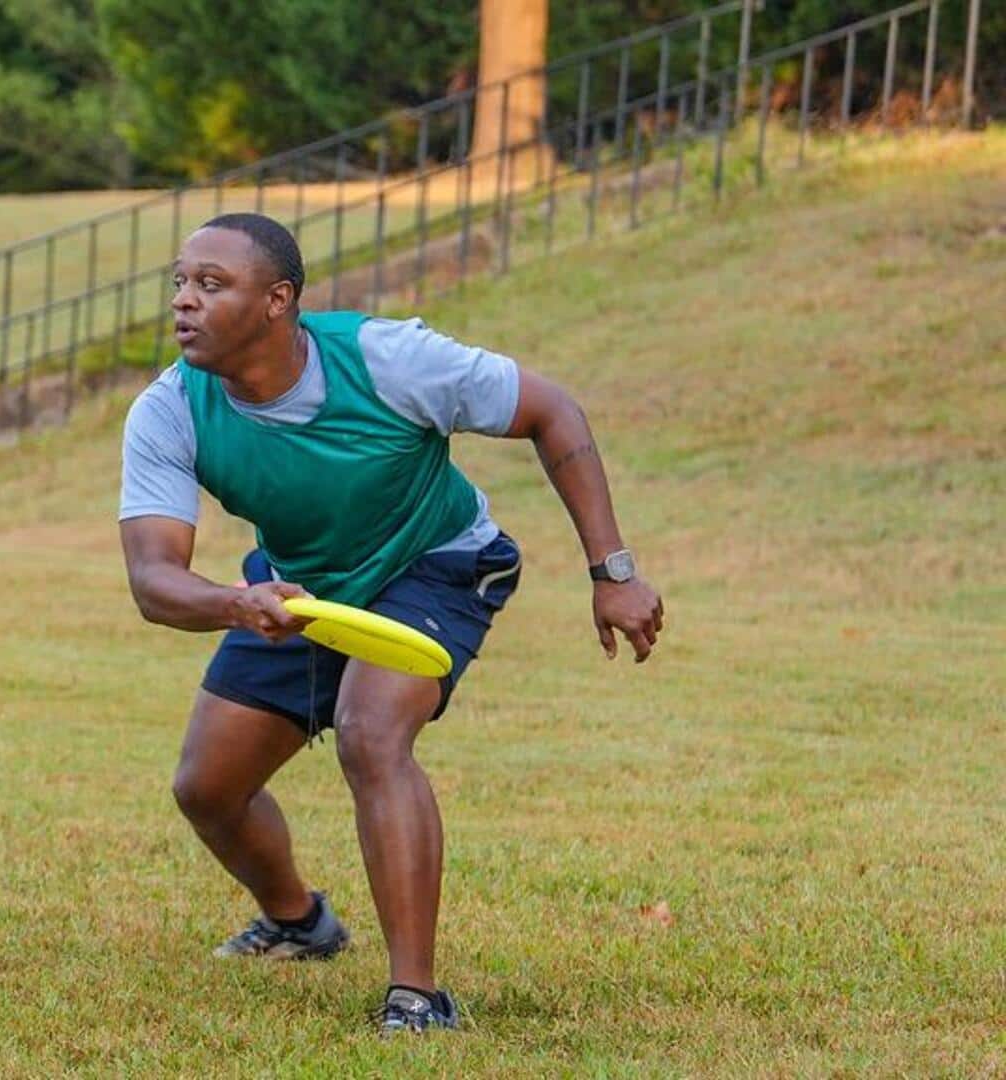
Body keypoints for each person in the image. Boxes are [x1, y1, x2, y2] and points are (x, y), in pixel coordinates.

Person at [118, 213, 663, 1033]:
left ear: (278, 301)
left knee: (371, 733)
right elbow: (154, 580)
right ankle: (299, 921)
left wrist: (612, 572)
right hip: (305, 589)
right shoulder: (170, 410)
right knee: (206, 788)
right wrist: (241, 601)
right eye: (180, 283)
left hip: (438, 562)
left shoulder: (387, 358)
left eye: (211, 284)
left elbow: (553, 410)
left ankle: (417, 996)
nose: (184, 303)